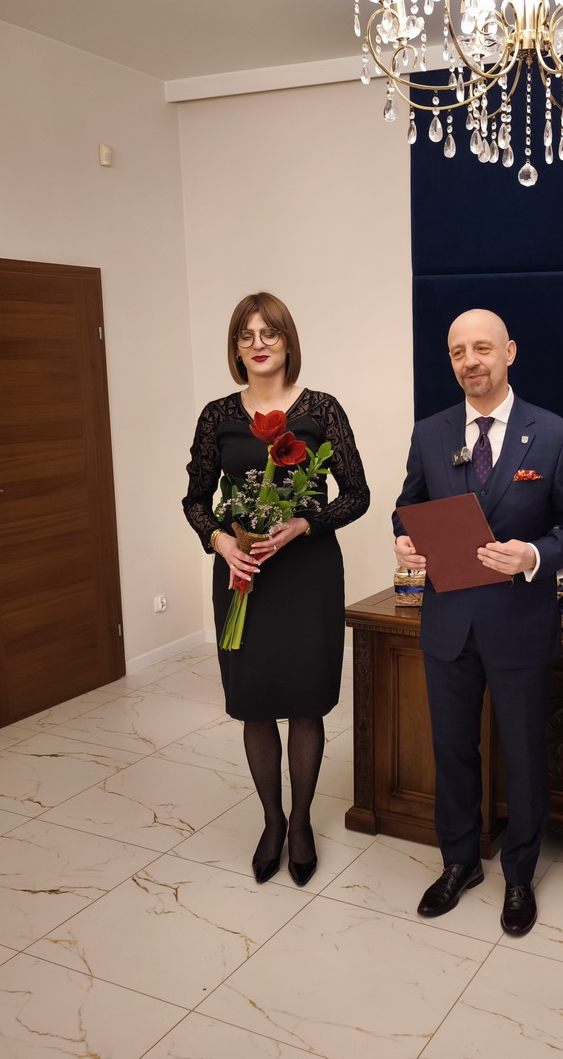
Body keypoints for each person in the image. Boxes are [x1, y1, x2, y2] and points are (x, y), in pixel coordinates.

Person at [393, 308, 563, 936]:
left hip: (519, 622)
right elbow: (408, 506)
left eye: (482, 348)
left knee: (525, 755)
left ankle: (519, 876)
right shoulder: (430, 432)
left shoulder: (555, 434)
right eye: (458, 352)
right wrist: (404, 538)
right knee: (452, 749)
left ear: (509, 352)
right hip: (448, 621)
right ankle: (459, 862)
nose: (470, 361)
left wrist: (534, 554)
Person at [183, 292, 369, 887]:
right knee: (255, 702)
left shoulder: (321, 409)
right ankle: (271, 821)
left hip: (308, 574)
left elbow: (357, 494)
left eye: (270, 333)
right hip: (244, 576)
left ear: (288, 342)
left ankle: (302, 823)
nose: (258, 343)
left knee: (305, 700)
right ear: (236, 348)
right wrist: (221, 542)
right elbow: (195, 500)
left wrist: (304, 524)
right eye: (247, 335)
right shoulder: (217, 416)